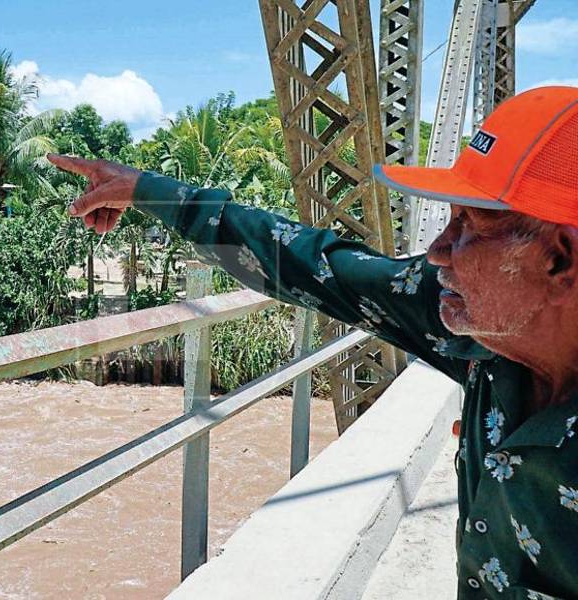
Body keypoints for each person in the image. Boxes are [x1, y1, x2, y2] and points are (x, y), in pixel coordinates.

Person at [50, 86, 578, 599]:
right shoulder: (481, 329)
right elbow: (310, 264)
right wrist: (148, 191)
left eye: (472, 226)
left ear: (561, 259)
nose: (439, 250)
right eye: (449, 220)